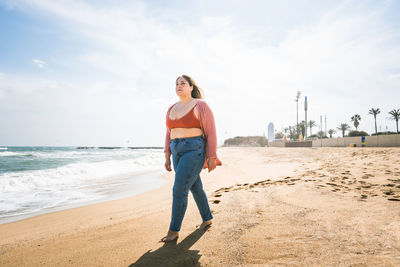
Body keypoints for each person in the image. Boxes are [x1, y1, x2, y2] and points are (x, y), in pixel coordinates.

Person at [160, 75, 221, 243]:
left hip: (194, 149)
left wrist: (212, 157)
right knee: (195, 186)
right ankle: (207, 217)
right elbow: (168, 133)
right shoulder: (172, 107)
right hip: (176, 149)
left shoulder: (201, 105)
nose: (179, 86)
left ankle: (173, 231)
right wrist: (167, 155)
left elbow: (211, 132)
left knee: (179, 189)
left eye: (183, 83)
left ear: (191, 87)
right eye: (177, 84)